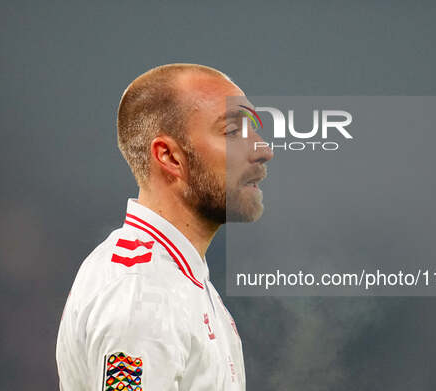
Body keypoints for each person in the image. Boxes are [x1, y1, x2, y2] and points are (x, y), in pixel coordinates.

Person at [56, 63, 273, 391]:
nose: (264, 150)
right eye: (232, 132)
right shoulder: (143, 294)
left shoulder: (181, 282)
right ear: (170, 157)